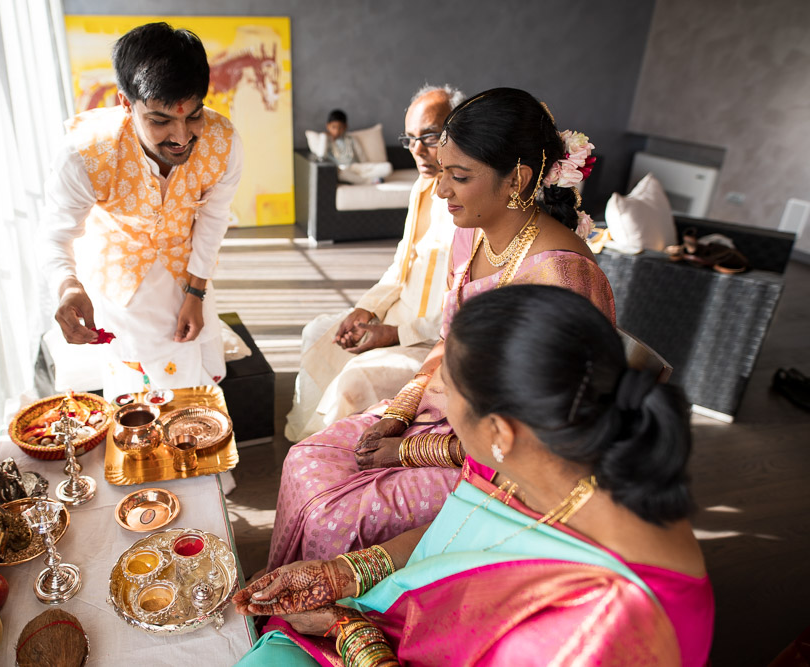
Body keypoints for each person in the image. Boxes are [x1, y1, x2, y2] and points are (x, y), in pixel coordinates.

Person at [235, 285, 714, 666]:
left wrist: (348, 631)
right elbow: (460, 528)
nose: (437, 399)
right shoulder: (553, 451)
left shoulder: (603, 624)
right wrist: (344, 572)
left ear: (499, 429)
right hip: (404, 620)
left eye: (448, 393)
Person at [267, 88, 615, 571]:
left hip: (505, 464)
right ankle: (292, 600)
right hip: (443, 412)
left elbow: (543, 438)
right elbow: (447, 342)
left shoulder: (561, 278)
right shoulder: (471, 237)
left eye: (460, 176)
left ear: (516, 177)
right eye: (443, 171)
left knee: (334, 512)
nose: (442, 189)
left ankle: (339, 620)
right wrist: (399, 412)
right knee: (304, 459)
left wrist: (410, 450)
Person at [39, 22, 243, 394]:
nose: (182, 137)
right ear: (125, 103)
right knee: (140, 396)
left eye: (193, 115)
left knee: (199, 390)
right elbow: (56, 236)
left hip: (189, 271)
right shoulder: (84, 155)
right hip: (120, 282)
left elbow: (213, 219)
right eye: (160, 121)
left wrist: (196, 293)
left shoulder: (223, 141)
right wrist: (67, 286)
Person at [285, 85, 466, 443]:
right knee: (317, 333)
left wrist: (394, 335)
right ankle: (304, 447)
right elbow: (401, 264)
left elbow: (462, 309)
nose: (417, 150)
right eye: (410, 138)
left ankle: (329, 462)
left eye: (429, 136)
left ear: (460, 131)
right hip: (396, 318)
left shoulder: (472, 206)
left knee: (355, 376)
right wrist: (365, 309)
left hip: (432, 343)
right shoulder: (422, 187)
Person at [315, 109, 392, 185]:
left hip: (357, 167)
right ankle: (369, 181)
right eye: (333, 127)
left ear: (345, 127)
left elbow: (362, 156)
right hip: (343, 169)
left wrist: (367, 168)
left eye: (340, 127)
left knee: (388, 167)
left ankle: (358, 179)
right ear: (328, 126)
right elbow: (321, 156)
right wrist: (323, 137)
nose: (337, 131)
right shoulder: (326, 141)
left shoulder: (351, 139)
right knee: (341, 174)